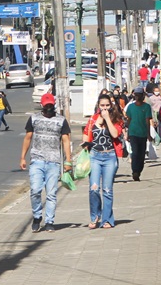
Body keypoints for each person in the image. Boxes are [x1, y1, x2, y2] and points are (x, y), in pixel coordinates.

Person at [19, 92, 72, 233]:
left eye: (50, 105)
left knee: (51, 193)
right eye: (46, 104)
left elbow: (66, 140)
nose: (48, 107)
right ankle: (37, 217)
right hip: (37, 160)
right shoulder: (34, 119)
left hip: (53, 162)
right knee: (35, 190)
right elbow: (28, 138)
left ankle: (49, 221)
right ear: (41, 105)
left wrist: (68, 161)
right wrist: (22, 157)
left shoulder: (61, 120)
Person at [82, 93, 125, 229]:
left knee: (107, 189)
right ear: (98, 106)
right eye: (102, 105)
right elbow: (85, 137)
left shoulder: (116, 119)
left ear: (111, 106)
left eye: (107, 105)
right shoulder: (92, 119)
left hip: (109, 157)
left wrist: (107, 119)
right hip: (95, 156)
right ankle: (95, 216)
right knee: (94, 189)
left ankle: (107, 219)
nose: (105, 108)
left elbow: (115, 134)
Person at [124, 87, 153, 181]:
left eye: (139, 95)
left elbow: (148, 121)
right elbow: (129, 120)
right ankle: (135, 171)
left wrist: (148, 134)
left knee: (141, 154)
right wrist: (127, 134)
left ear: (143, 95)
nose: (137, 97)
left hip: (143, 133)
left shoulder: (146, 107)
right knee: (135, 152)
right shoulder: (131, 107)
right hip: (133, 133)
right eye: (136, 95)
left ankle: (138, 171)